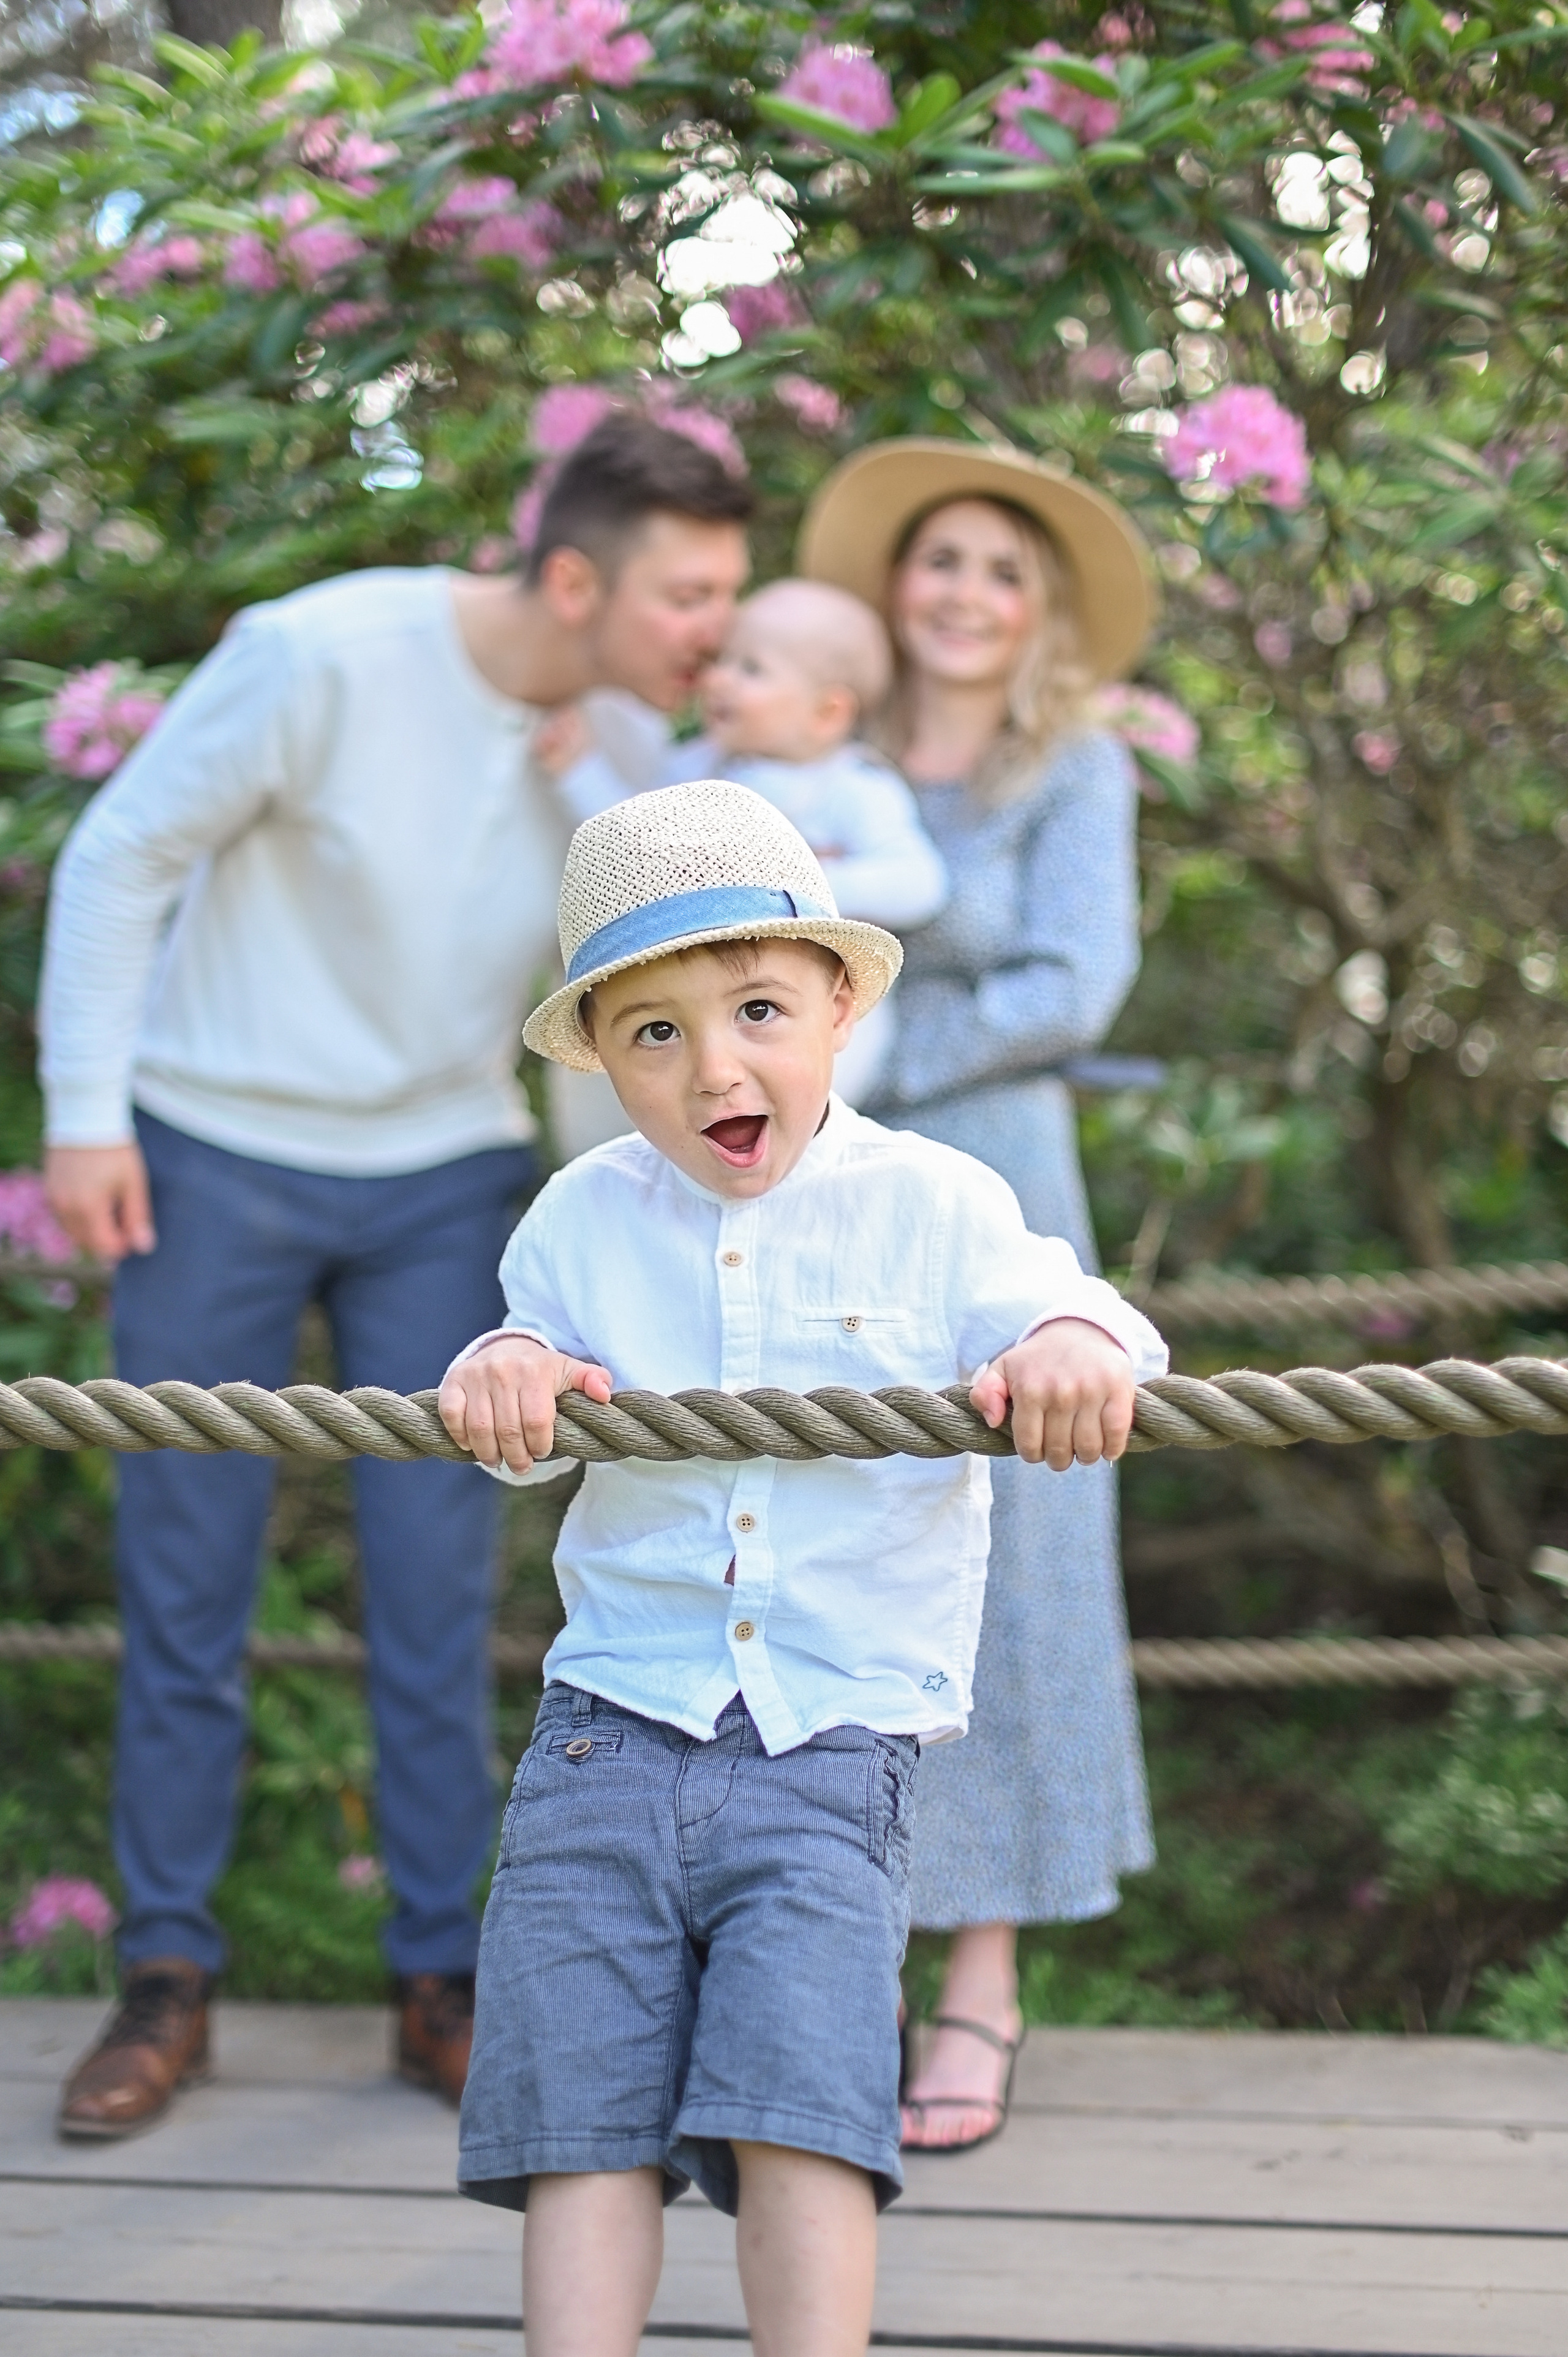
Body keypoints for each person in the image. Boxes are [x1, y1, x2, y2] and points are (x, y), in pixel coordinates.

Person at [36, 417, 753, 2141]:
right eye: (687, 596)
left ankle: (441, 1973)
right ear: (573, 578)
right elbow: (124, 853)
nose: (713, 633)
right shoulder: (320, 652)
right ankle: (165, 1973)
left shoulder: (631, 746)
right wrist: (83, 1114)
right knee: (185, 1582)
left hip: (444, 1183)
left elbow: (642, 1007)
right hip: (212, 1154)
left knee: (438, 1601)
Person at [436, 778, 1167, 2357]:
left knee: (803, 2108)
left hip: (830, 1743)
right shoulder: (578, 1216)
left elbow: (1095, 1321)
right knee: (579, 2117)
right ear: (601, 1058)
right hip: (605, 1733)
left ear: (839, 1005)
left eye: (757, 1009)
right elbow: (525, 1416)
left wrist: (1061, 1341)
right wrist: (507, 1367)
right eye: (654, 1033)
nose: (714, 1067)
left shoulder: (934, 1203)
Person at [799, 437, 1157, 2152]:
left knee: (1009, 1558)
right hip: (816, 1192)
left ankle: (984, 1979)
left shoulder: (1072, 766)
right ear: (894, 584)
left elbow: (1072, 981)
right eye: (938, 557)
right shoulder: (824, 751)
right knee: (831, 1538)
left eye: (1001, 571)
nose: (963, 591)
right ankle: (835, 1949)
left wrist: (860, 1052)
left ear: (1038, 614)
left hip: (998, 1180)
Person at [552, 577, 948, 1103]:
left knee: (809, 1098)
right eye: (723, 660)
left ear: (827, 712)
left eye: (751, 669)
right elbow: (631, 843)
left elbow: (920, 883)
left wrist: (800, 885)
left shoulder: (854, 787)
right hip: (705, 1003)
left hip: (810, 1002)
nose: (718, 679)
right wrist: (578, 769)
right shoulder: (700, 766)